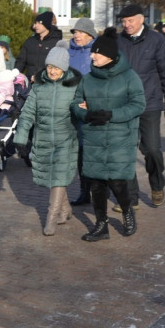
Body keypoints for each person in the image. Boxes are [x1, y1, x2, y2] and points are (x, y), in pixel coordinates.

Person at [71, 28, 146, 241]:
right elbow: (75, 102)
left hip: (119, 137)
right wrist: (85, 114)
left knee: (118, 182)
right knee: (96, 184)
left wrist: (111, 114)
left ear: (110, 55)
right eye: (92, 52)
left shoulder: (130, 77)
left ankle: (127, 211)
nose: (92, 56)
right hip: (94, 137)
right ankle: (100, 225)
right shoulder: (87, 78)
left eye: (97, 53)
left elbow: (138, 104)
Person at [14, 44, 81, 235]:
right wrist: (21, 136)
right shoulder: (39, 86)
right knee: (54, 177)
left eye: (57, 68)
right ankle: (66, 209)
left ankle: (51, 217)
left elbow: (81, 110)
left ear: (65, 68)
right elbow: (27, 113)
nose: (52, 71)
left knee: (59, 175)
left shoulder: (75, 86)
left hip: (65, 138)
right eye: (50, 67)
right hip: (42, 138)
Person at [116, 4, 165, 209]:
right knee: (125, 152)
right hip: (124, 105)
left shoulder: (156, 40)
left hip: (149, 103)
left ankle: (157, 184)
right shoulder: (118, 41)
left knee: (151, 150)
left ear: (141, 19)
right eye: (123, 21)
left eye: (130, 20)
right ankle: (130, 198)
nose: (126, 25)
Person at [67, 18, 97, 205]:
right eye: (74, 32)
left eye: (80, 32)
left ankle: (99, 191)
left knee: (92, 152)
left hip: (92, 108)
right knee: (79, 152)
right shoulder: (68, 52)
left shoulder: (97, 52)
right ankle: (84, 192)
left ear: (90, 35)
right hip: (73, 108)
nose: (76, 35)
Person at [15, 11, 64, 82]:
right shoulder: (30, 41)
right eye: (35, 23)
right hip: (30, 83)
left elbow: (59, 65)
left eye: (39, 23)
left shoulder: (57, 43)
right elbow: (21, 61)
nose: (36, 26)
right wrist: (15, 73)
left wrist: (43, 77)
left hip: (48, 83)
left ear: (46, 24)